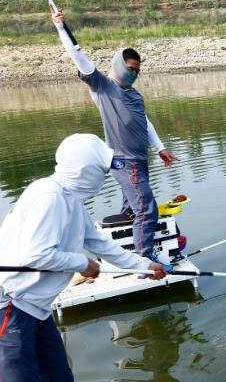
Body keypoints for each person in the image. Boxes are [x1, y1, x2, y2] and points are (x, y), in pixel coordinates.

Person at [0, 133, 168, 381]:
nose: (104, 175)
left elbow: (101, 244)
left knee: (60, 376)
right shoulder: (50, 195)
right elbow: (36, 255)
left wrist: (145, 266)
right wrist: (83, 264)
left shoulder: (71, 201)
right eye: (102, 169)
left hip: (38, 310)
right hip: (12, 307)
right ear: (86, 169)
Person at [51, 7, 178, 263]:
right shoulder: (103, 87)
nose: (135, 73)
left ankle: (124, 250)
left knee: (133, 210)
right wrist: (61, 27)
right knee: (146, 210)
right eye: (131, 68)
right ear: (120, 65)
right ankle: (146, 260)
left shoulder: (134, 94)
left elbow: (144, 121)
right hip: (124, 160)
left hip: (140, 160)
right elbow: (78, 57)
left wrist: (160, 148)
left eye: (138, 70)